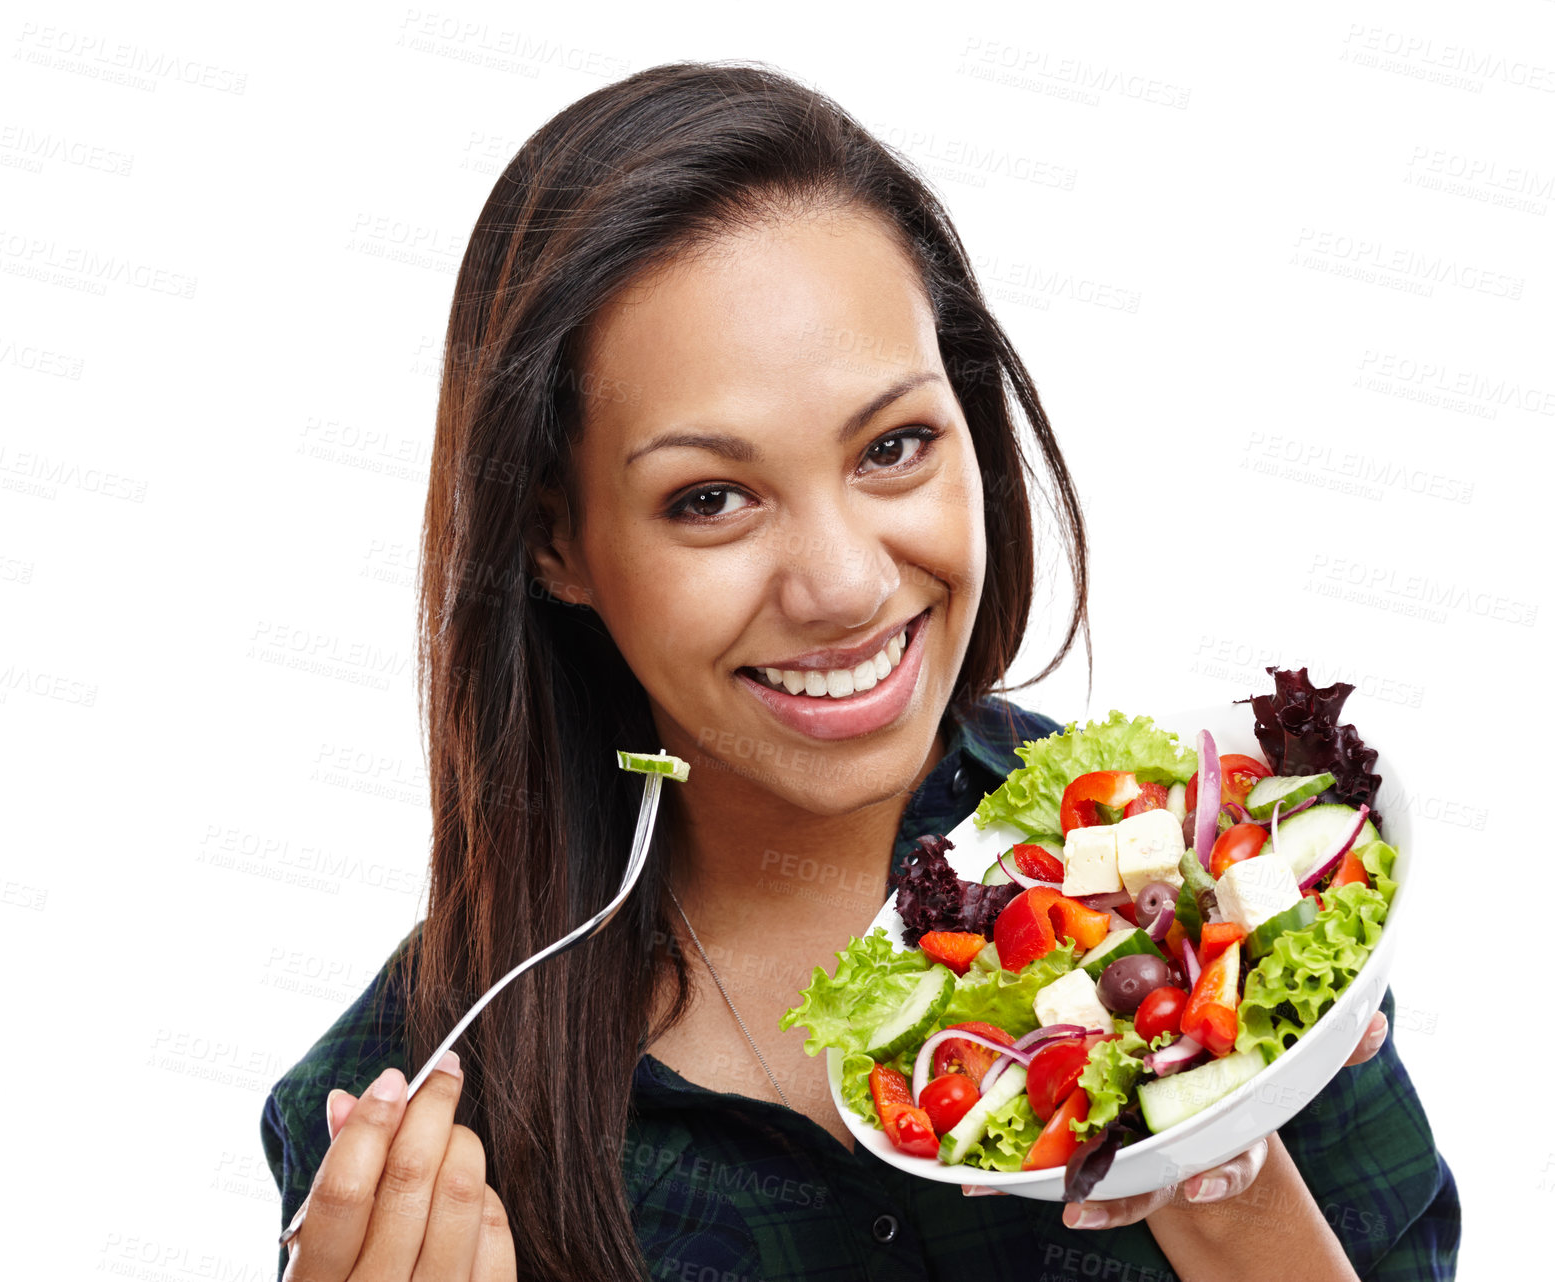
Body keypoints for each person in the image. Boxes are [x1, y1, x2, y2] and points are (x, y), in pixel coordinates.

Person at [261, 60, 1459, 1282]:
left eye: (894, 445)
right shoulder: (404, 1120)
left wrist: (1216, 1179)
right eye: (711, 498)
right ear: (556, 538)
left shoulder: (1221, 877)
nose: (840, 583)